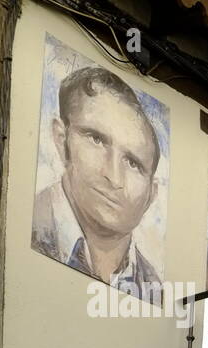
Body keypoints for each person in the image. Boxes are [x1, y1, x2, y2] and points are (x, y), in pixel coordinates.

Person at [32, 65, 162, 301]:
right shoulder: (29, 224)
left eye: (133, 163)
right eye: (96, 140)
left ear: (150, 196)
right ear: (62, 140)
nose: (113, 177)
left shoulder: (155, 288)